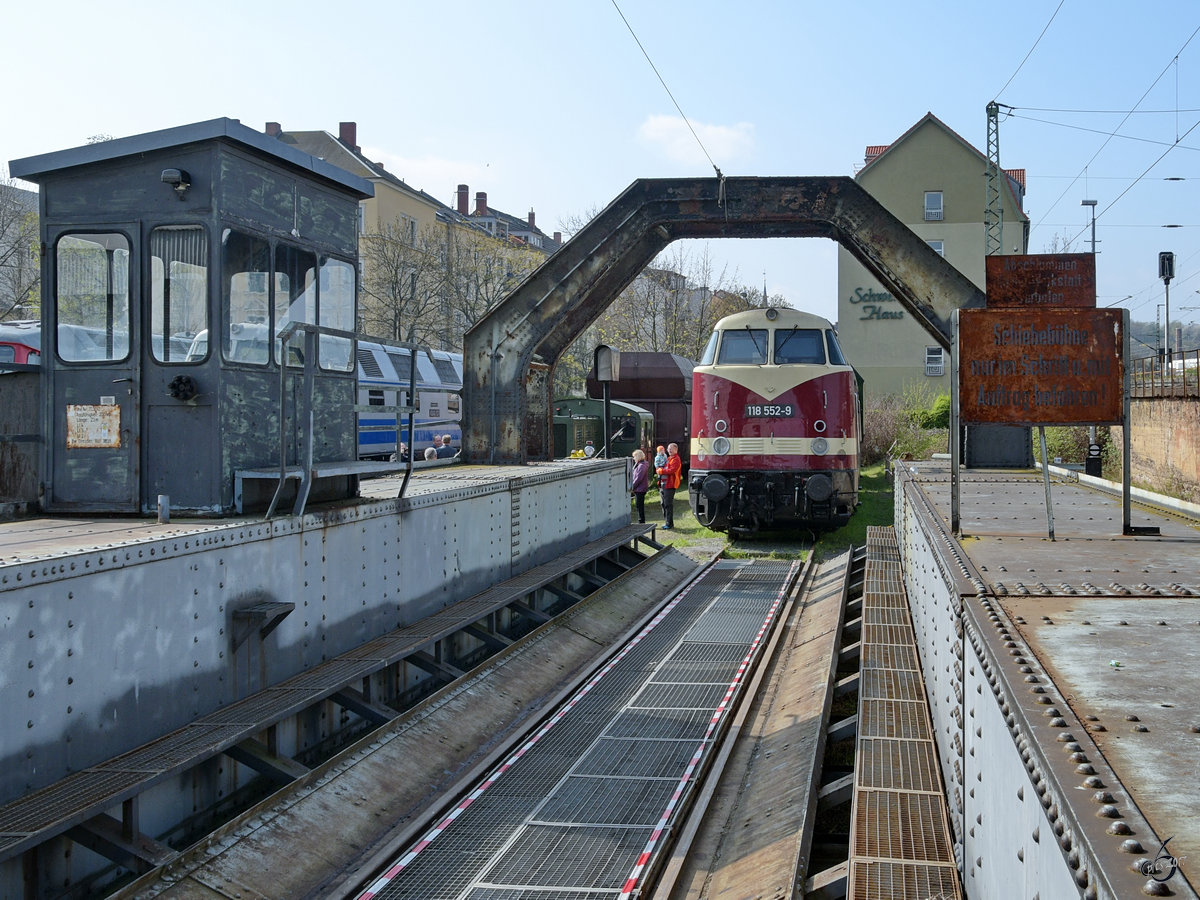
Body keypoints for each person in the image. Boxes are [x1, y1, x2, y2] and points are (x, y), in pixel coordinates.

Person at [656, 442, 682, 529]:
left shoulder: (676, 459)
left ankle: (669, 524)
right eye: (668, 448)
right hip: (663, 484)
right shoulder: (668, 458)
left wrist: (661, 471)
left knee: (668, 504)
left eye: (671, 449)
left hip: (670, 485)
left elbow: (672, 470)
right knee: (663, 503)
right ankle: (667, 522)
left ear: (676, 450)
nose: (669, 450)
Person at [630, 449, 649, 524]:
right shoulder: (640, 464)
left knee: (639, 506)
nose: (633, 458)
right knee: (639, 505)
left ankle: (641, 521)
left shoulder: (641, 466)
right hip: (639, 488)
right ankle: (641, 521)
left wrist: (632, 487)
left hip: (640, 489)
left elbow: (638, 478)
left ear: (638, 457)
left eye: (634, 456)